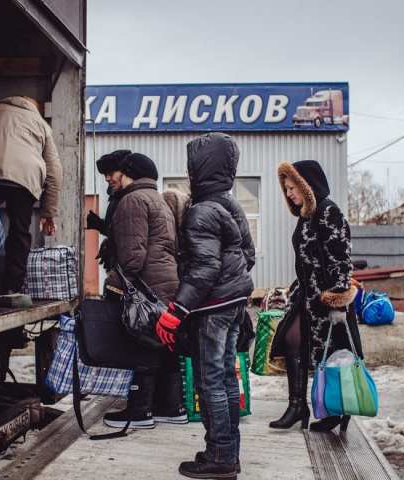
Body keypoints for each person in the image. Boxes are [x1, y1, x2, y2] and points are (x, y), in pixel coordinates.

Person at [156, 132, 255, 480]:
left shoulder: (200, 212)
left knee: (210, 381)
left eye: (190, 167)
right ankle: (227, 451)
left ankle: (220, 458)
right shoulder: (231, 205)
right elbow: (248, 256)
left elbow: (205, 268)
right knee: (226, 377)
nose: (187, 174)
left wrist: (176, 311)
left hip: (212, 308)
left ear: (200, 169)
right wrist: (232, 287)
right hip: (234, 303)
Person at [269, 160, 363, 432]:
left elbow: (341, 261)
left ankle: (336, 410)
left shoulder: (328, 213)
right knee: (292, 341)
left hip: (326, 300)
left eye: (292, 188)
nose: (288, 194)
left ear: (307, 186)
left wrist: (337, 300)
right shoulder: (306, 217)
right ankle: (298, 405)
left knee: (332, 354)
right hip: (306, 296)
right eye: (286, 189)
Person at [100, 153, 187, 429]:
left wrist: (113, 284)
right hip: (168, 283)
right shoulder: (159, 201)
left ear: (128, 174)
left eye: (116, 174)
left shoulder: (131, 200)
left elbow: (132, 256)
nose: (110, 178)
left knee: (141, 344)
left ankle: (139, 412)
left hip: (146, 285)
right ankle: (172, 408)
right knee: (164, 344)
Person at [0, 95, 63, 295]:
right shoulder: (40, 123)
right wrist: (47, 212)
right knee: (19, 231)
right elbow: (54, 170)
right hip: (24, 175)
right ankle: (13, 287)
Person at [85, 149, 132, 271]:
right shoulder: (115, 197)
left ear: (125, 173)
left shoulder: (132, 198)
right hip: (116, 262)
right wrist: (101, 225)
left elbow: (131, 235)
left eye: (111, 173)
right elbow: (119, 229)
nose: (107, 178)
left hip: (126, 266)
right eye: (105, 174)